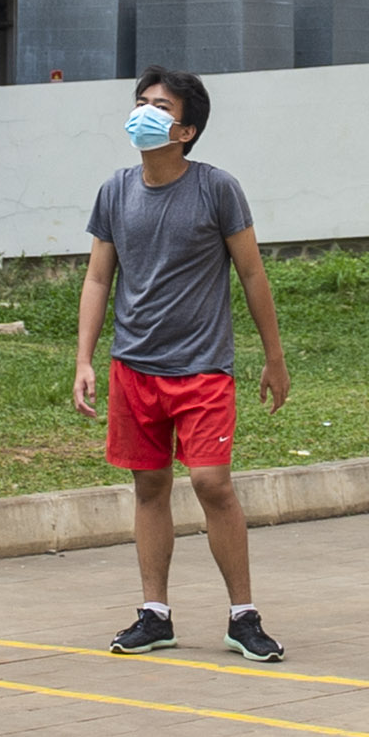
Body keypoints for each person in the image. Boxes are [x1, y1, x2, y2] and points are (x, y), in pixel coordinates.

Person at [78, 69, 290, 662]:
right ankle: (155, 614)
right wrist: (84, 360)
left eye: (160, 107)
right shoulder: (115, 191)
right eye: (140, 103)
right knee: (149, 486)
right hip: (134, 368)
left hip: (202, 369)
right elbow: (98, 277)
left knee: (210, 482)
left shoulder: (217, 189)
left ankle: (243, 616)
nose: (144, 113)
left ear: (187, 129)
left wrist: (274, 359)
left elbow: (251, 273)